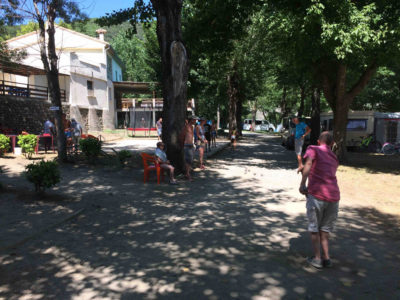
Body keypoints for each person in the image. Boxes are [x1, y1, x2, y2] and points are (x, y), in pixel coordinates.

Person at [299, 131, 340, 269]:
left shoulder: (313, 149)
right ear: (332, 143)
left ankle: (317, 258)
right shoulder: (334, 158)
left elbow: (309, 164)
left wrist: (302, 184)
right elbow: (324, 171)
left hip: (317, 195)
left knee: (314, 228)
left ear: (318, 141)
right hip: (334, 197)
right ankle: (327, 258)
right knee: (325, 229)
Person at [183, 116, 198, 181]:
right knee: (187, 160)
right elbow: (182, 135)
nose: (195, 121)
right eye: (194, 120)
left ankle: (187, 173)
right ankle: (187, 174)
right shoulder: (186, 126)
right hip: (186, 145)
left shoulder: (192, 127)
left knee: (190, 160)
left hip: (191, 145)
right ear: (191, 120)